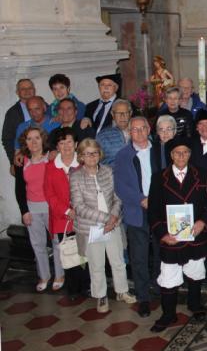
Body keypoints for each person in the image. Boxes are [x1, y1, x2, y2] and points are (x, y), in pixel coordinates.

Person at [148, 137, 207, 332]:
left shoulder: (202, 175)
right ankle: (168, 314)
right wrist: (162, 234)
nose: (181, 156)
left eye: (185, 152)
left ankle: (195, 304)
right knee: (169, 276)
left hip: (195, 235)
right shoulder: (159, 178)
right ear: (171, 155)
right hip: (171, 237)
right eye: (177, 153)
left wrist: (203, 221)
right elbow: (152, 211)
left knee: (195, 272)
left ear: (190, 154)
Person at [70, 138, 136, 313]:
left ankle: (122, 291)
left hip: (113, 224)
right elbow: (78, 206)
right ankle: (100, 296)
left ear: (100, 154)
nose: (92, 157)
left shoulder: (108, 171)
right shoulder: (75, 176)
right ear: (81, 156)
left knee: (118, 261)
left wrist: (113, 217)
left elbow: (118, 196)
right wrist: (106, 218)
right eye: (87, 154)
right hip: (91, 228)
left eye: (95, 153)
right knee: (96, 264)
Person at [114, 116, 159, 318]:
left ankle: (161, 288)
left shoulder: (159, 149)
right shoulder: (123, 155)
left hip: (160, 208)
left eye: (142, 128)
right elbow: (120, 185)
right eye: (134, 130)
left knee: (161, 252)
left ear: (149, 129)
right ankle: (143, 298)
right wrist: (141, 199)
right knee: (139, 256)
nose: (139, 133)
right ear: (129, 132)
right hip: (136, 209)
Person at [43, 128, 91, 299]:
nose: (66, 146)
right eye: (62, 143)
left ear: (76, 144)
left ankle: (86, 286)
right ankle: (72, 288)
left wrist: (79, 209)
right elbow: (49, 194)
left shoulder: (84, 164)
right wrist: (66, 210)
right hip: (61, 217)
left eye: (69, 142)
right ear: (57, 146)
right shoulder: (50, 167)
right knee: (68, 253)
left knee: (84, 253)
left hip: (83, 216)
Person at [14, 126, 62, 292]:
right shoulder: (22, 162)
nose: (33, 142)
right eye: (29, 139)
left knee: (57, 242)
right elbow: (19, 189)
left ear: (43, 139)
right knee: (37, 244)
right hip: (32, 208)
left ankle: (59, 275)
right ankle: (44, 275)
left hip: (51, 207)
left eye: (37, 138)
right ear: (25, 142)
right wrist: (24, 211)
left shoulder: (52, 158)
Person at [3, 79, 37, 165]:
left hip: (45, 158)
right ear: (17, 92)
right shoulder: (12, 112)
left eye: (30, 88)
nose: (27, 91)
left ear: (34, 90)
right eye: (23, 89)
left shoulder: (45, 107)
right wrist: (12, 161)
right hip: (22, 159)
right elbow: (7, 139)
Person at [95, 99, 132, 166]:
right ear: (112, 114)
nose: (122, 116)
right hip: (112, 174)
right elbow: (96, 160)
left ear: (130, 113)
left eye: (125, 113)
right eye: (118, 113)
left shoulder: (139, 131)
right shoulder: (103, 136)